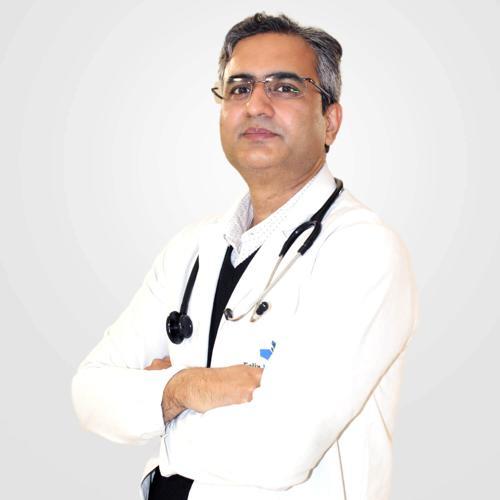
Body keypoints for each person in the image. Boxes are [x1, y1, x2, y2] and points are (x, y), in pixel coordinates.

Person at [72, 12, 418, 500]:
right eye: (239, 88)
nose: (256, 104)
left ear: (330, 121)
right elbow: (89, 394)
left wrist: (153, 412)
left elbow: (280, 450)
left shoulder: (362, 250)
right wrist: (185, 388)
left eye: (285, 87)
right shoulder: (193, 247)